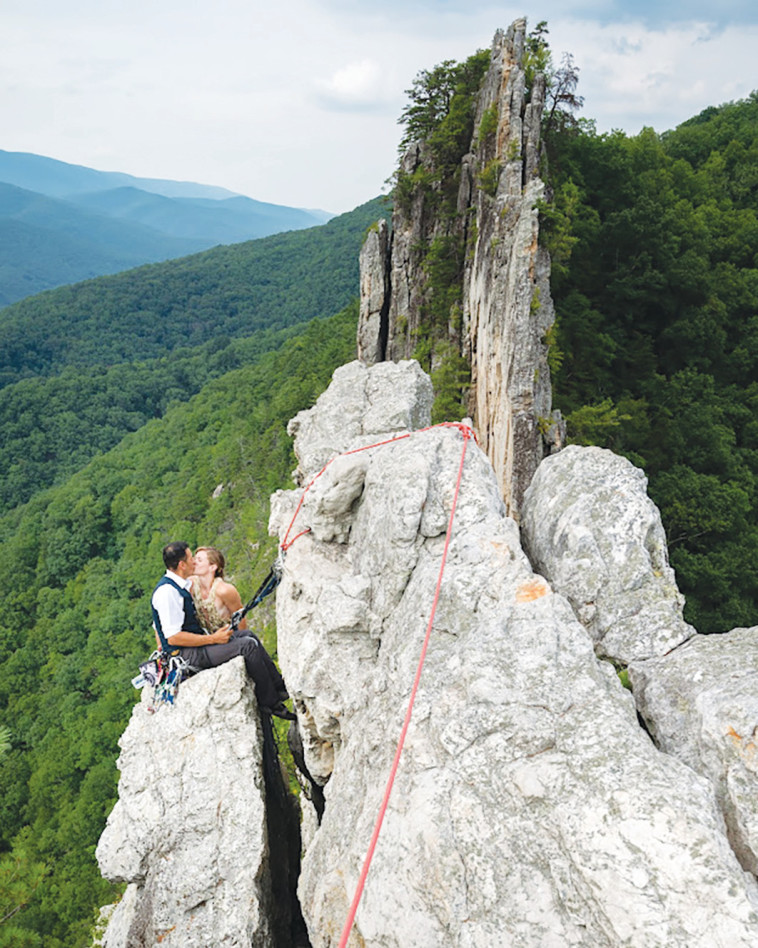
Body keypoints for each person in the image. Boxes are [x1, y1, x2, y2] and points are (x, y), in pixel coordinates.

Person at [151, 541, 293, 719]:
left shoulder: (178, 586)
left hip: (192, 648)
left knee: (248, 636)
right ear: (182, 565)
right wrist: (213, 639)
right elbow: (173, 637)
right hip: (185, 656)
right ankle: (270, 703)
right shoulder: (167, 593)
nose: (194, 561)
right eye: (191, 558)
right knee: (247, 646)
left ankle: (279, 688)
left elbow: (159, 625)